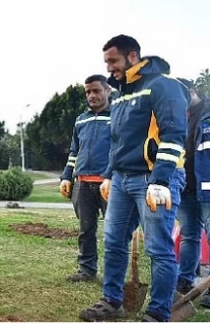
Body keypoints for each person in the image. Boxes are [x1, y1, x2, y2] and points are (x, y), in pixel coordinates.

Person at [79, 35, 189, 322]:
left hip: (153, 180)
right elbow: (117, 142)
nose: (109, 68)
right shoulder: (121, 94)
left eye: (113, 61)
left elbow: (174, 135)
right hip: (121, 180)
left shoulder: (163, 86)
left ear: (132, 56)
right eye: (106, 62)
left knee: (158, 248)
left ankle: (158, 313)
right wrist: (108, 175)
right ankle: (111, 301)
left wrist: (161, 180)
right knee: (114, 241)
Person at [174, 77, 210, 309]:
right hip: (185, 189)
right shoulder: (176, 118)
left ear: (192, 91)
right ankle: (185, 281)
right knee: (189, 237)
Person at [60, 74, 112, 282]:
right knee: (85, 229)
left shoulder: (118, 116)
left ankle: (113, 275)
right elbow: (74, 151)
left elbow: (122, 150)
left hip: (108, 184)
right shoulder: (81, 119)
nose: (91, 95)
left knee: (114, 233)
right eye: (88, 92)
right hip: (82, 184)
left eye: (96, 90)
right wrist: (66, 177)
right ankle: (87, 270)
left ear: (108, 90)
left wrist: (112, 176)